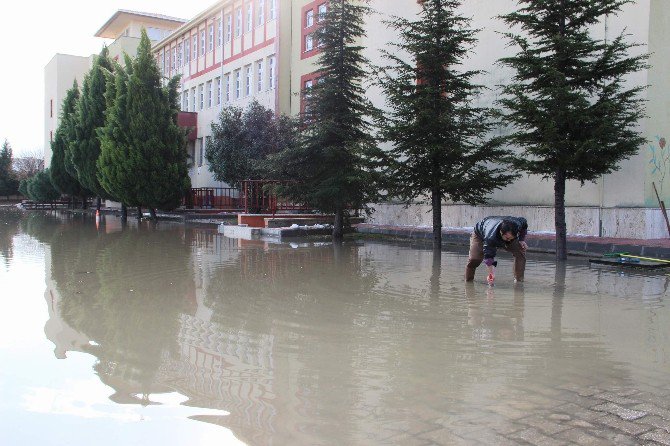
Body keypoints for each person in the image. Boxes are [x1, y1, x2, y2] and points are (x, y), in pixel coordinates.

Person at [465, 216, 528, 285]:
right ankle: (468, 281)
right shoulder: (491, 237)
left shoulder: (518, 223)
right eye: (507, 238)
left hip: (500, 229)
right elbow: (489, 256)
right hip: (480, 234)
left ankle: (519, 282)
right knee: (475, 259)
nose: (509, 240)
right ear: (501, 232)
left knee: (520, 251)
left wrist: (521, 239)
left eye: (512, 238)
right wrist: (491, 274)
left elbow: (524, 223)